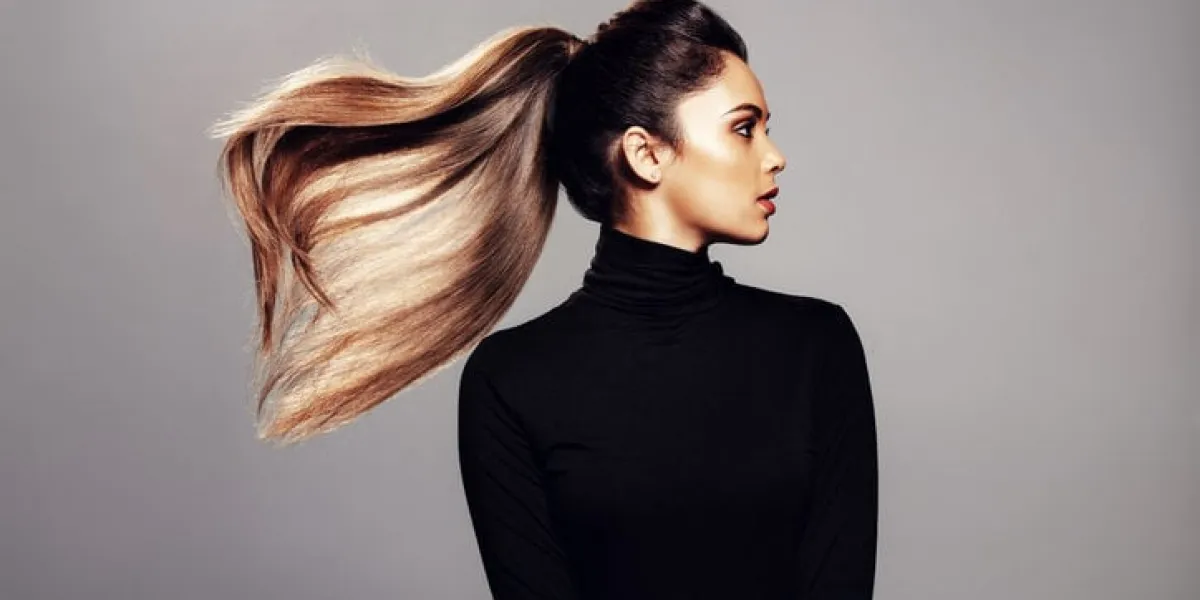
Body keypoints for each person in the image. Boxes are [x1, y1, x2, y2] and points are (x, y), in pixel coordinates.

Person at [210, 0, 878, 598]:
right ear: (646, 155)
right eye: (744, 127)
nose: (775, 156)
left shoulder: (817, 347)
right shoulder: (512, 382)